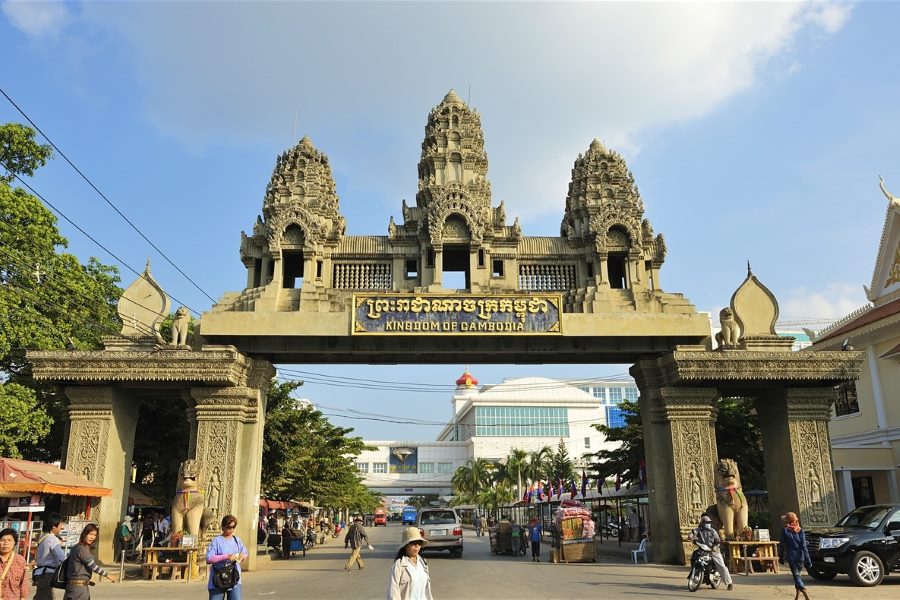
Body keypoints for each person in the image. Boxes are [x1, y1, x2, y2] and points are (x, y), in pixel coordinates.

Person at [64, 523, 117, 599]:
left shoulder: (76, 547)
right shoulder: (82, 549)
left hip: (73, 587)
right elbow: (93, 566)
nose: (92, 537)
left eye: (94, 535)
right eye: (90, 534)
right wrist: (108, 575)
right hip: (78, 589)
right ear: (85, 534)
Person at [206, 515, 248, 600]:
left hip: (234, 578)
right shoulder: (217, 541)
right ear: (223, 527)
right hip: (218, 579)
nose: (231, 529)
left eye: (233, 527)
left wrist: (243, 556)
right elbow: (209, 558)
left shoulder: (237, 540)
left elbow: (245, 552)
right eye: (229, 527)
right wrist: (226, 556)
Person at [387, 527, 433, 600]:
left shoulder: (423, 563)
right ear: (405, 545)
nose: (417, 546)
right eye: (413, 543)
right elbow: (393, 592)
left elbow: (427, 591)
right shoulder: (399, 565)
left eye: (419, 543)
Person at [690, 515, 733, 592]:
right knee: (694, 557)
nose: (708, 524)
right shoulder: (698, 530)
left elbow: (717, 541)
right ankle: (695, 574)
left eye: (709, 522)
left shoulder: (713, 531)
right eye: (706, 522)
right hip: (702, 550)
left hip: (713, 551)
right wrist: (690, 536)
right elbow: (692, 534)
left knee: (721, 566)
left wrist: (715, 547)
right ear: (702, 523)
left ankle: (729, 583)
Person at [778, 512, 812, 600]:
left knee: (796, 576)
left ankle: (804, 592)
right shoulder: (800, 530)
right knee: (797, 576)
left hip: (791, 558)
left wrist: (780, 557)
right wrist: (808, 561)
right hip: (801, 558)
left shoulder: (785, 530)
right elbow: (804, 546)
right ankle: (797, 596)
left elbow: (782, 545)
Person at [33, 513, 65, 600]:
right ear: (54, 526)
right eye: (61, 524)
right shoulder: (53, 539)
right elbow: (61, 557)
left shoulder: (43, 537)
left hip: (41, 573)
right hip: (48, 575)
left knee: (47, 596)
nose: (62, 527)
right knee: (41, 597)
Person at [0, 528, 28, 600]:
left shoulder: (20, 560)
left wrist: (23, 598)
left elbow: (24, 583)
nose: (6, 543)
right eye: (3, 540)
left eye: (10, 540)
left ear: (14, 543)